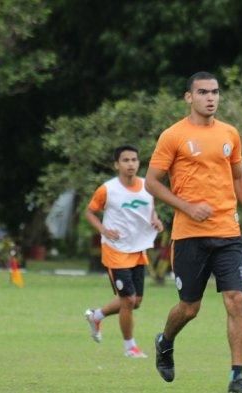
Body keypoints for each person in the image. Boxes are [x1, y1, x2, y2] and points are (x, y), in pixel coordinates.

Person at [145, 71, 242, 393]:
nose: (210, 97)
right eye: (203, 92)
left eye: (214, 92)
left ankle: (237, 377)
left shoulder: (230, 133)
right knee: (189, 307)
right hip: (189, 235)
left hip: (227, 230)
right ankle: (166, 340)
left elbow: (239, 176)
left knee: (236, 299)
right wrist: (187, 207)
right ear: (189, 97)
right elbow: (152, 182)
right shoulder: (172, 136)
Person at [83, 145, 164, 358]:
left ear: (139, 163)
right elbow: (89, 212)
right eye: (125, 160)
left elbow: (150, 210)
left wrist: (155, 220)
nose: (131, 164)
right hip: (115, 250)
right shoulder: (107, 189)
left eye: (134, 160)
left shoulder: (148, 186)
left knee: (135, 302)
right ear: (117, 164)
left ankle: (96, 316)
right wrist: (103, 230)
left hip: (138, 250)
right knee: (127, 300)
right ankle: (130, 348)